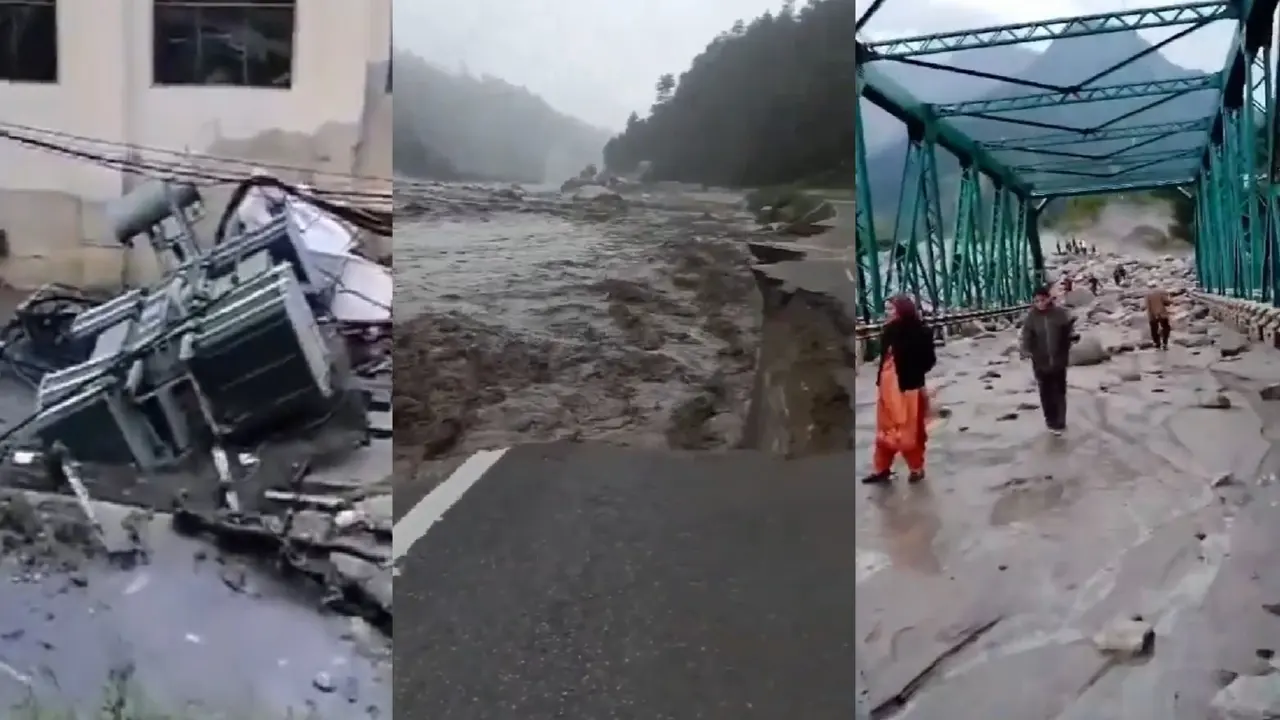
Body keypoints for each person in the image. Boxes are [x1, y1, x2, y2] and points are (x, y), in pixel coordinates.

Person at [862, 294, 937, 485]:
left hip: (908, 389)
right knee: (884, 431)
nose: (886, 313)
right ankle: (882, 469)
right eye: (886, 309)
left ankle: (916, 469)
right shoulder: (889, 330)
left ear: (902, 310)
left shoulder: (920, 331)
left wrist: (913, 371)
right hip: (887, 389)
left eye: (890, 309)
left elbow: (929, 360)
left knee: (909, 433)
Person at [1021, 284, 1077, 435]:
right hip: (1040, 361)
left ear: (1048, 298)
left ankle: (1060, 421)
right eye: (1036, 300)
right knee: (1045, 392)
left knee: (1059, 391)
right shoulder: (1031, 317)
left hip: (1059, 360)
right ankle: (1050, 420)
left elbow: (1068, 331)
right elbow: (1027, 335)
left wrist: (1072, 337)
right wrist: (1025, 350)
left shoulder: (1059, 314)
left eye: (1042, 299)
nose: (1040, 303)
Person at [1145, 282, 1172, 350]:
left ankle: (1157, 343)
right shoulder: (1161, 291)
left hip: (1152, 314)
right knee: (1166, 327)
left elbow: (1147, 305)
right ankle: (1165, 343)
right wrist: (1170, 300)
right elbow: (1167, 302)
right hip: (1162, 313)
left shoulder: (1147, 294)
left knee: (1154, 329)